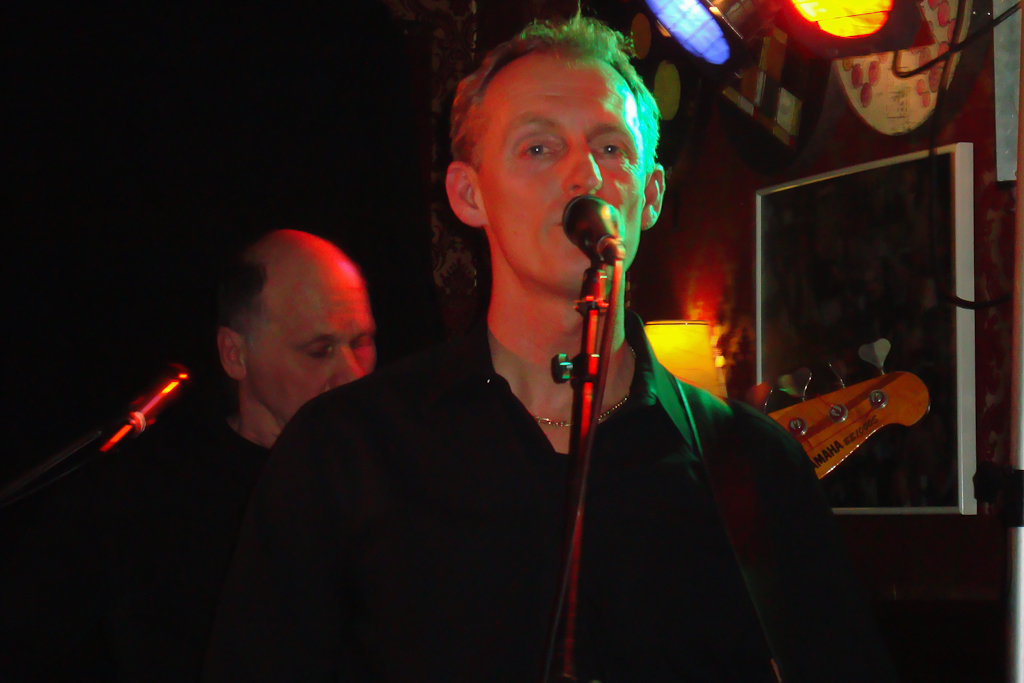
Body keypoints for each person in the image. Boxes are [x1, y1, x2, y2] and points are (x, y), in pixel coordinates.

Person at [203, 17, 897, 683]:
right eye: (538, 148)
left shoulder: (751, 462)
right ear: (468, 194)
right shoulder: (345, 450)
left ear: (651, 195)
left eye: (611, 149)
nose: (583, 176)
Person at [0, 230, 376, 682]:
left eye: (361, 342)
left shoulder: (397, 469)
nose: (353, 375)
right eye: (319, 350)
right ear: (235, 354)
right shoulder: (147, 494)